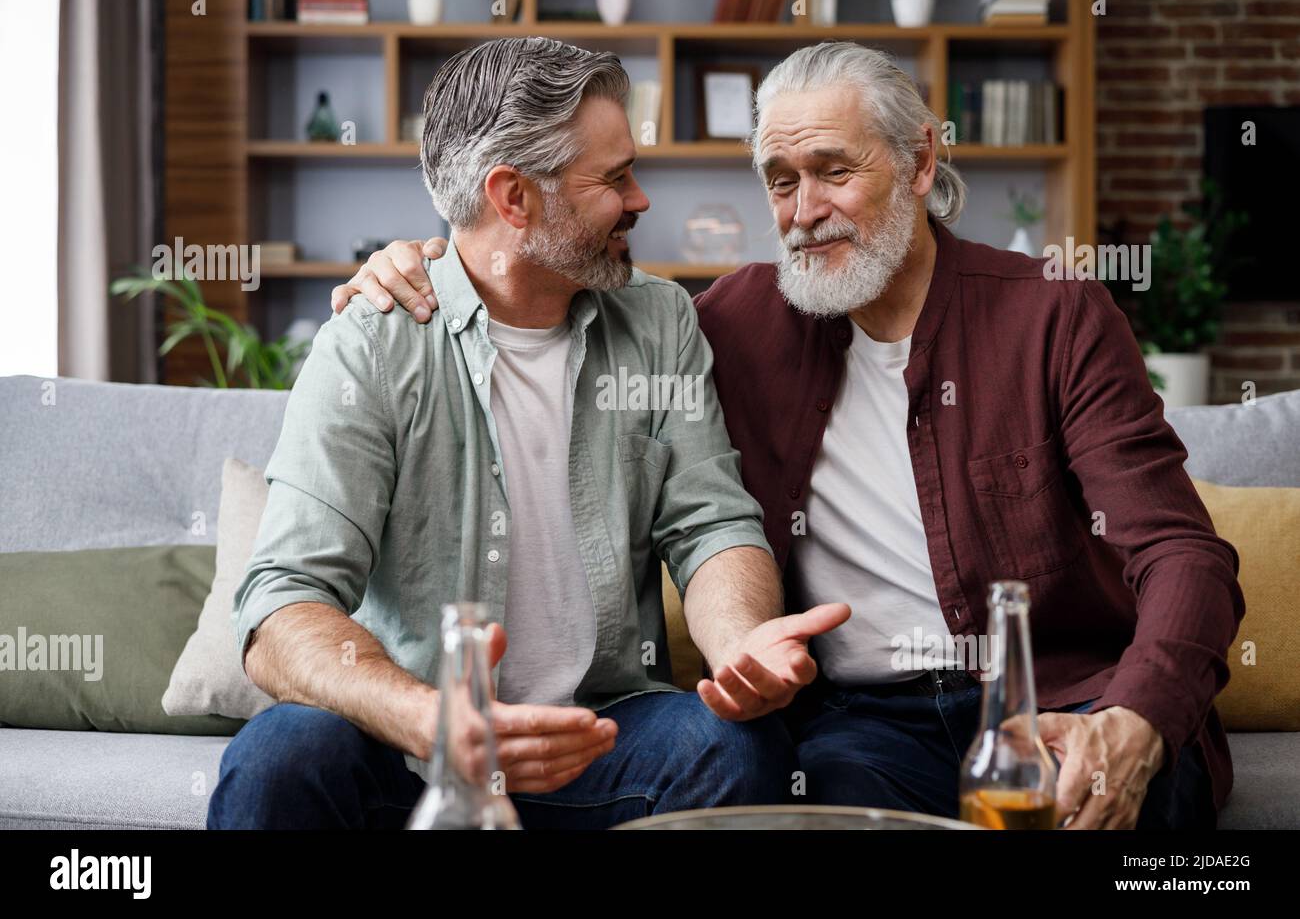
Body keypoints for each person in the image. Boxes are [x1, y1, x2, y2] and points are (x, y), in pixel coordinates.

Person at [338, 41, 1245, 829]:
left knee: (1134, 816)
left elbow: (1183, 556)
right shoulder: (726, 322)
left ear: (922, 161)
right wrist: (419, 262)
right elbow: (524, 260)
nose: (803, 209)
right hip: (867, 724)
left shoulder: (1055, 316)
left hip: (1063, 694)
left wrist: (1135, 720)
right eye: (780, 180)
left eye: (833, 170)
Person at [209, 36, 851, 830]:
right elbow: (283, 601)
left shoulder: (659, 321)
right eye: (614, 178)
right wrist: (430, 717)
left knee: (738, 749)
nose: (641, 198)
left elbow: (709, 520)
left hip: (600, 735)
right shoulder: (373, 340)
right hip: (413, 748)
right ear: (514, 197)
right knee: (280, 758)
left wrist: (741, 646)